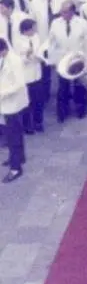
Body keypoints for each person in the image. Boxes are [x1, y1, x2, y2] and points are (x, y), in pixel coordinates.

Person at [45, 0, 87, 122]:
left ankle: (80, 110)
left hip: (78, 61)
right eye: (61, 11)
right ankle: (62, 113)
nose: (62, 14)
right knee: (62, 88)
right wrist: (52, 61)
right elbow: (51, 43)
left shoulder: (82, 23)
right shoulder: (56, 23)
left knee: (79, 87)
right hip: (62, 62)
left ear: (72, 11)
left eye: (65, 12)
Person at [0, 40, 28, 182]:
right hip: (4, 104)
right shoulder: (3, 58)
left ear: (4, 50)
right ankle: (18, 157)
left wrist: (1, 93)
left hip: (12, 104)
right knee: (13, 132)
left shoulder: (14, 61)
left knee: (12, 136)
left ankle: (16, 168)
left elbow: (19, 84)